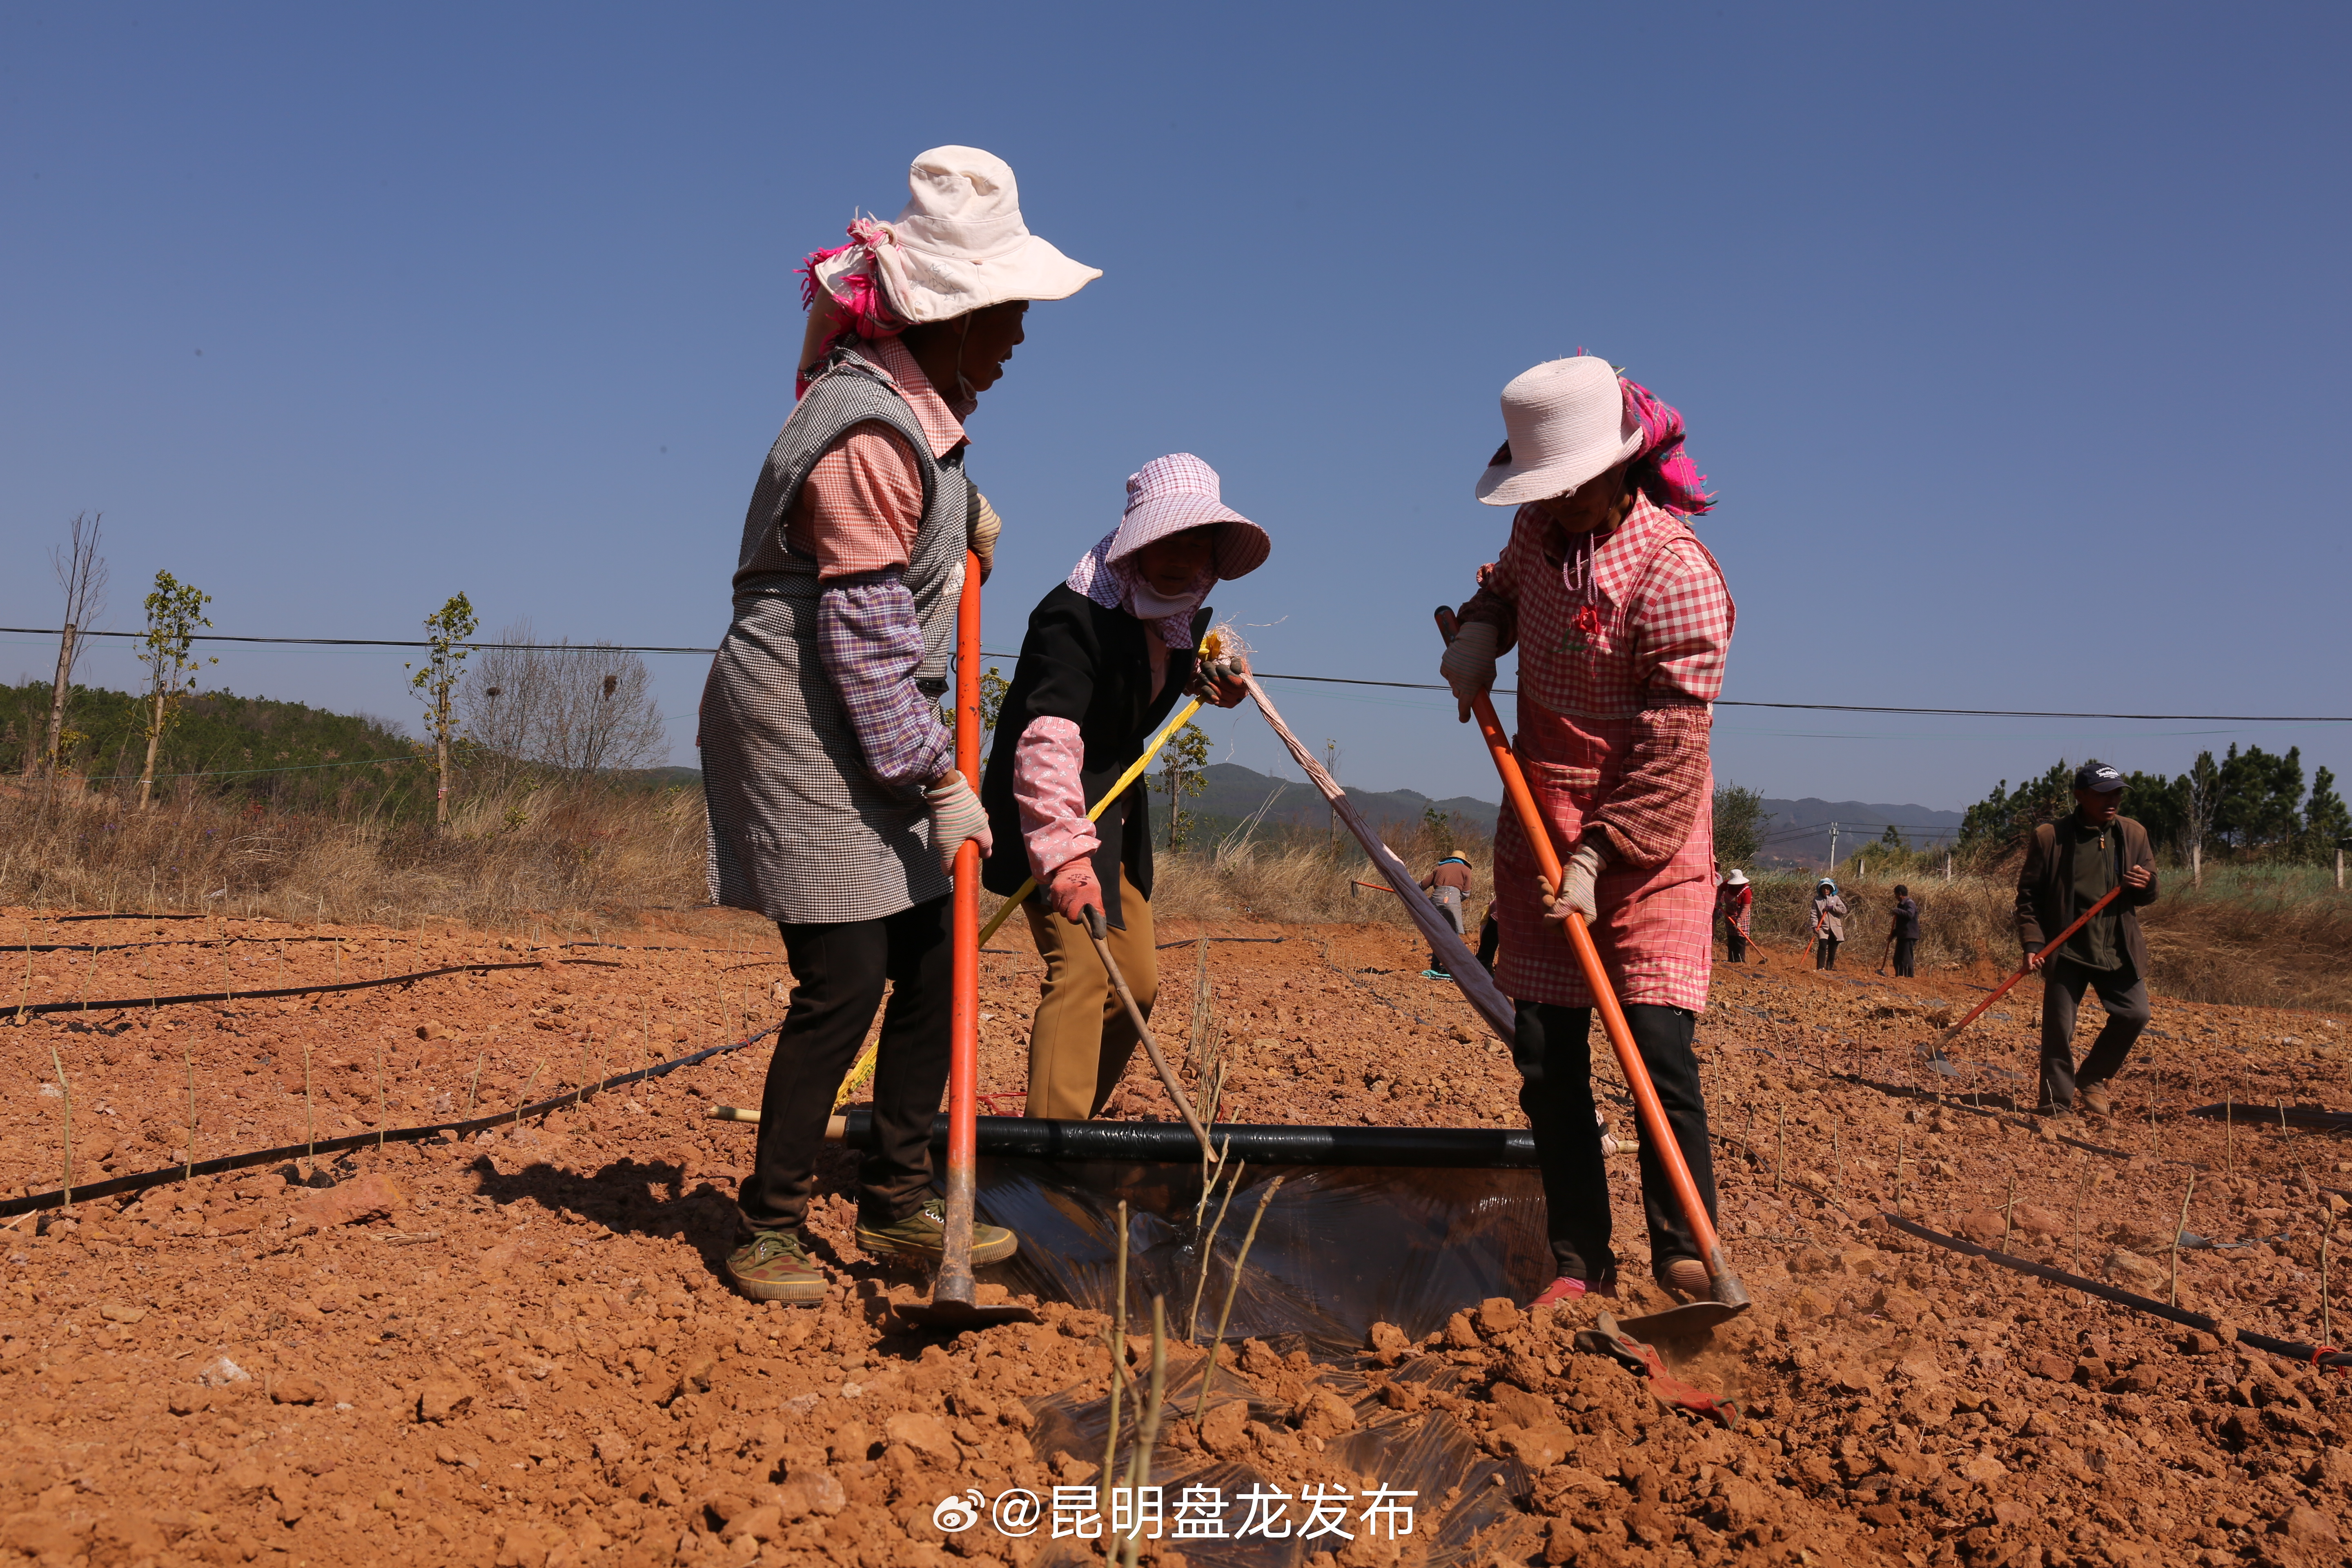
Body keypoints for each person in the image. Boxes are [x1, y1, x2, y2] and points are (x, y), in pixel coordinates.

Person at [700, 147, 1100, 1303]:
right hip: (803, 720)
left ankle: (897, 1201)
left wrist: (962, 501)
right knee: (849, 971)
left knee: (936, 945)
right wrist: (936, 780)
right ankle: (770, 1224)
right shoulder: (869, 435)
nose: (1021, 337)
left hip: (866, 713)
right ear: (953, 317)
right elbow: (869, 650)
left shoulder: (913, 428)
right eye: (1009, 313)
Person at [1439, 354, 1732, 1306]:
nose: (1554, 502)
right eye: (1542, 488)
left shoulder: (1672, 574)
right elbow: (1501, 589)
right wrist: (1480, 632)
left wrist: (1599, 856)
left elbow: (1670, 752)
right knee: (1545, 1053)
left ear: (1616, 467)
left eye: (1568, 486)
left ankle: (1684, 1244)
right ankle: (1578, 1256)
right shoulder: (1535, 533)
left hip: (1644, 840)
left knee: (1653, 1041)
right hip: (1540, 817)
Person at [980, 455, 1267, 1120]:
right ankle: (1049, 1159)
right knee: (1083, 972)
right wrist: (1064, 855)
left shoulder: (1176, 615)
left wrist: (1208, 683)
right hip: (1046, 813)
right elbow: (1047, 738)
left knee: (1135, 986)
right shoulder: (1071, 618)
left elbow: (1149, 680)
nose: (1180, 556)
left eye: (1195, 540)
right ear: (1135, 542)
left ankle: (1077, 1126)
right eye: (1166, 539)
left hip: (1113, 814)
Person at [2018, 761, 2159, 1117]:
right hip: (2065, 949)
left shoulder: (2134, 834)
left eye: (2116, 793)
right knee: (2059, 1030)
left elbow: (2149, 891)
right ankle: (2055, 1105)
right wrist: (2033, 944)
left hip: (2117, 946)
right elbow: (2029, 897)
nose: (2112, 800)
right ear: (2080, 796)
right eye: (2102, 794)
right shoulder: (2051, 837)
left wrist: (2148, 885)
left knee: (2136, 1014)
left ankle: (2093, 1076)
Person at [1419, 854, 1476, 977]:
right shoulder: (1466, 870)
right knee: (1452, 935)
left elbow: (1422, 886)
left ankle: (1435, 966)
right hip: (1453, 902)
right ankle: (1447, 968)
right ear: (1463, 861)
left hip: (1435, 901)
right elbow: (1466, 893)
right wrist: (1453, 900)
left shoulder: (1439, 869)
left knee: (1438, 934)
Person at [1882, 884, 1920, 977]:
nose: (1895, 897)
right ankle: (1899, 977)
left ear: (1900, 894)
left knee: (1906, 958)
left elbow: (1910, 915)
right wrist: (1893, 935)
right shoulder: (1901, 905)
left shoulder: (1910, 903)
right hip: (1903, 935)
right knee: (1898, 959)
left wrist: (1898, 911)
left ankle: (1909, 978)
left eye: (1895, 895)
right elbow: (1901, 925)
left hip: (1909, 935)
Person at [1716, 868, 1751, 963]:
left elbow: (1745, 908)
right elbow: (1719, 889)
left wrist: (1739, 921)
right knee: (1731, 937)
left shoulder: (1746, 891)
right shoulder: (1727, 885)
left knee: (1740, 938)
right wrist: (1718, 900)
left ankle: (1740, 961)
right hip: (1729, 914)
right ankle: (1731, 960)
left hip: (1742, 915)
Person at [1811, 878, 1847, 969]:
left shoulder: (1836, 899)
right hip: (1823, 927)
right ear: (1821, 890)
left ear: (1831, 889)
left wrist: (1833, 908)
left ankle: (1829, 968)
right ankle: (1820, 968)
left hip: (1835, 928)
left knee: (1833, 949)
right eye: (1824, 888)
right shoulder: (1817, 900)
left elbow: (1844, 910)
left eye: (1828, 888)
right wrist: (1815, 926)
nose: (1826, 890)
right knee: (1822, 946)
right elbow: (1814, 914)